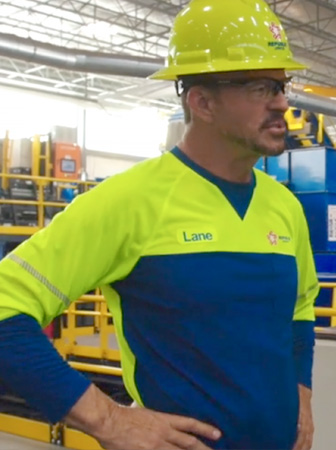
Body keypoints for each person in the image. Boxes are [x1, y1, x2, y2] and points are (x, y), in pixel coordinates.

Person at [0, 1, 318, 449]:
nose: (282, 103)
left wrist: (302, 393)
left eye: (282, 86)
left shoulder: (284, 206)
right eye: (260, 87)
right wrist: (110, 420)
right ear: (202, 102)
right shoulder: (129, 201)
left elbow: (300, 310)